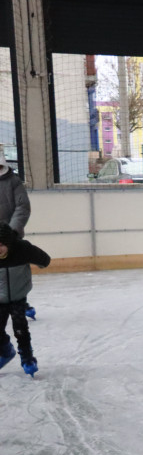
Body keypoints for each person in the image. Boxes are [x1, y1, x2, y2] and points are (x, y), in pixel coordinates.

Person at [0, 222, 49, 376]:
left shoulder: (22, 249)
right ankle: (6, 351)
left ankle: (27, 359)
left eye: (1, 244)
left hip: (18, 298)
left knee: (20, 329)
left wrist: (39, 262)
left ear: (8, 243)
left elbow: (45, 260)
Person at [0, 147, 35, 327]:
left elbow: (22, 208)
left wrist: (11, 233)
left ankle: (21, 300)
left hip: (11, 239)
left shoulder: (13, 182)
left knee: (15, 272)